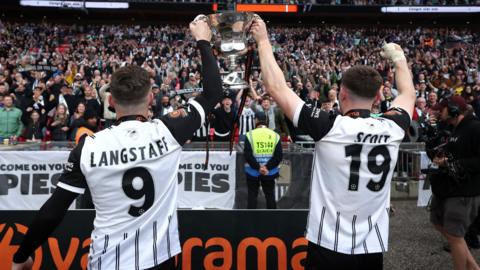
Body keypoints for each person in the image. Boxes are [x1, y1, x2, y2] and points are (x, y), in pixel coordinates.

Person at [11, 15, 222, 270]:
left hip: (107, 261)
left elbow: (52, 213)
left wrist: (22, 255)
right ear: (151, 98)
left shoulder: (87, 148)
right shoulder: (169, 131)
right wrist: (202, 41)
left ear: (110, 102)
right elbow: (213, 91)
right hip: (159, 260)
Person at [250, 18, 415, 269]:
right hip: (371, 247)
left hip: (328, 244)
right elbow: (408, 94)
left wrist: (263, 40)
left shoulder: (329, 127)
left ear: (342, 94)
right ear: (378, 96)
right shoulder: (393, 127)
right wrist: (399, 58)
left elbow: (276, 87)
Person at [429, 96, 480, 270]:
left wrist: (451, 163)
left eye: (442, 109)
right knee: (439, 224)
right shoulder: (455, 128)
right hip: (449, 188)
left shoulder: (475, 128)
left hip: (464, 191)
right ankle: (473, 268)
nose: (438, 112)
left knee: (455, 235)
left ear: (454, 110)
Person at [244, 121, 283, 209]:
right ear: (267, 126)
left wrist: (258, 167)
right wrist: (266, 167)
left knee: (252, 196)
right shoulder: (275, 135)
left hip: (252, 171)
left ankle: (250, 220)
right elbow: (278, 156)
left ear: (256, 126)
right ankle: (272, 219)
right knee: (270, 196)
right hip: (270, 172)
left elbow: (248, 155)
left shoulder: (250, 135)